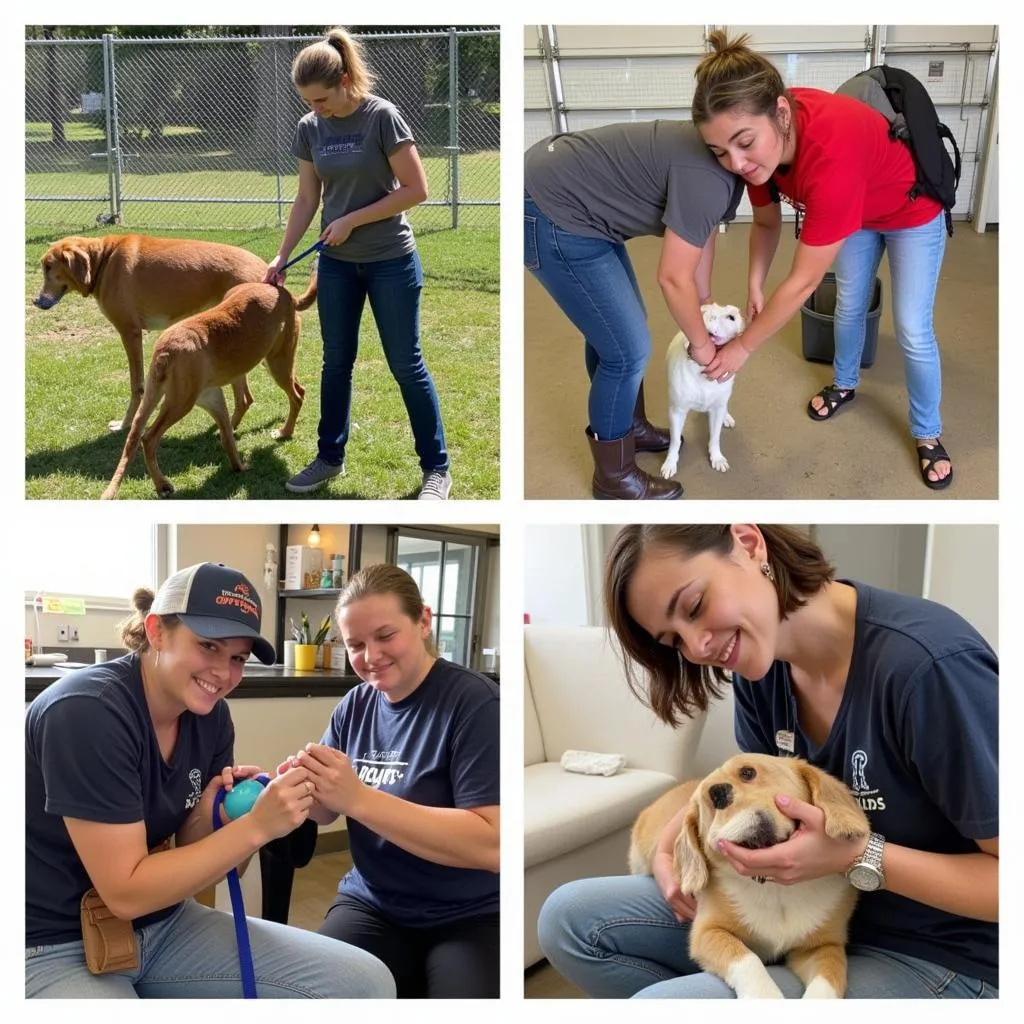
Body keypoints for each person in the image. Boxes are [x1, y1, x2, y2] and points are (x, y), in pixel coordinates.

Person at [539, 524, 998, 998]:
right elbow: (742, 789)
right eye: (674, 641)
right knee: (568, 919)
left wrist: (853, 856)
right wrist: (669, 845)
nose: (698, 649)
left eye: (694, 607)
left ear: (749, 543)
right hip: (795, 906)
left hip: (937, 952)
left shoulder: (930, 671)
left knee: (663, 1004)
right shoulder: (762, 664)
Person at [25, 561, 396, 999]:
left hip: (162, 924)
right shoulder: (86, 712)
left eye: (237, 657)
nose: (223, 673)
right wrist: (260, 827)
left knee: (366, 983)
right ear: (157, 631)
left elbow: (213, 866)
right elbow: (126, 892)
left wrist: (228, 814)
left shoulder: (211, 717)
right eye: (208, 646)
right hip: (49, 942)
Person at [691, 32, 953, 490]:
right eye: (720, 152)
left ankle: (927, 432)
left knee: (912, 326)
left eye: (744, 142)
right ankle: (846, 383)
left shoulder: (830, 153)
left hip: (911, 211)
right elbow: (768, 224)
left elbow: (802, 282)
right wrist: (754, 284)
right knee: (849, 304)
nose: (736, 162)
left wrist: (741, 347)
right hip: (858, 214)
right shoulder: (763, 155)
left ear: (782, 113)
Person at [280, 563, 500, 998]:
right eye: (355, 644)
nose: (370, 656)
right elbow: (325, 811)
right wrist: (298, 784)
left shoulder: (475, 704)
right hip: (373, 904)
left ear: (423, 621)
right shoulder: (355, 705)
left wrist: (358, 798)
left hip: (473, 914)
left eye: (385, 636)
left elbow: (492, 845)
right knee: (306, 994)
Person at [266, 27, 452, 500]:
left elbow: (417, 190)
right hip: (337, 266)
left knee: (406, 364)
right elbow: (308, 198)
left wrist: (351, 219)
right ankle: (330, 457)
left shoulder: (381, 117)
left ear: (346, 78)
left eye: (322, 99)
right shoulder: (309, 129)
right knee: (336, 363)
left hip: (391, 260)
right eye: (308, 101)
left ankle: (436, 469)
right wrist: (283, 256)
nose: (316, 109)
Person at [524, 119, 745, 499]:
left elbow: (701, 230)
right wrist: (703, 346)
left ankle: (628, 426)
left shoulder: (728, 159)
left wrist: (704, 295)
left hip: (575, 200)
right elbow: (674, 278)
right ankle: (614, 478)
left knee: (619, 334)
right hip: (553, 208)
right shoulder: (720, 171)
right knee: (627, 350)